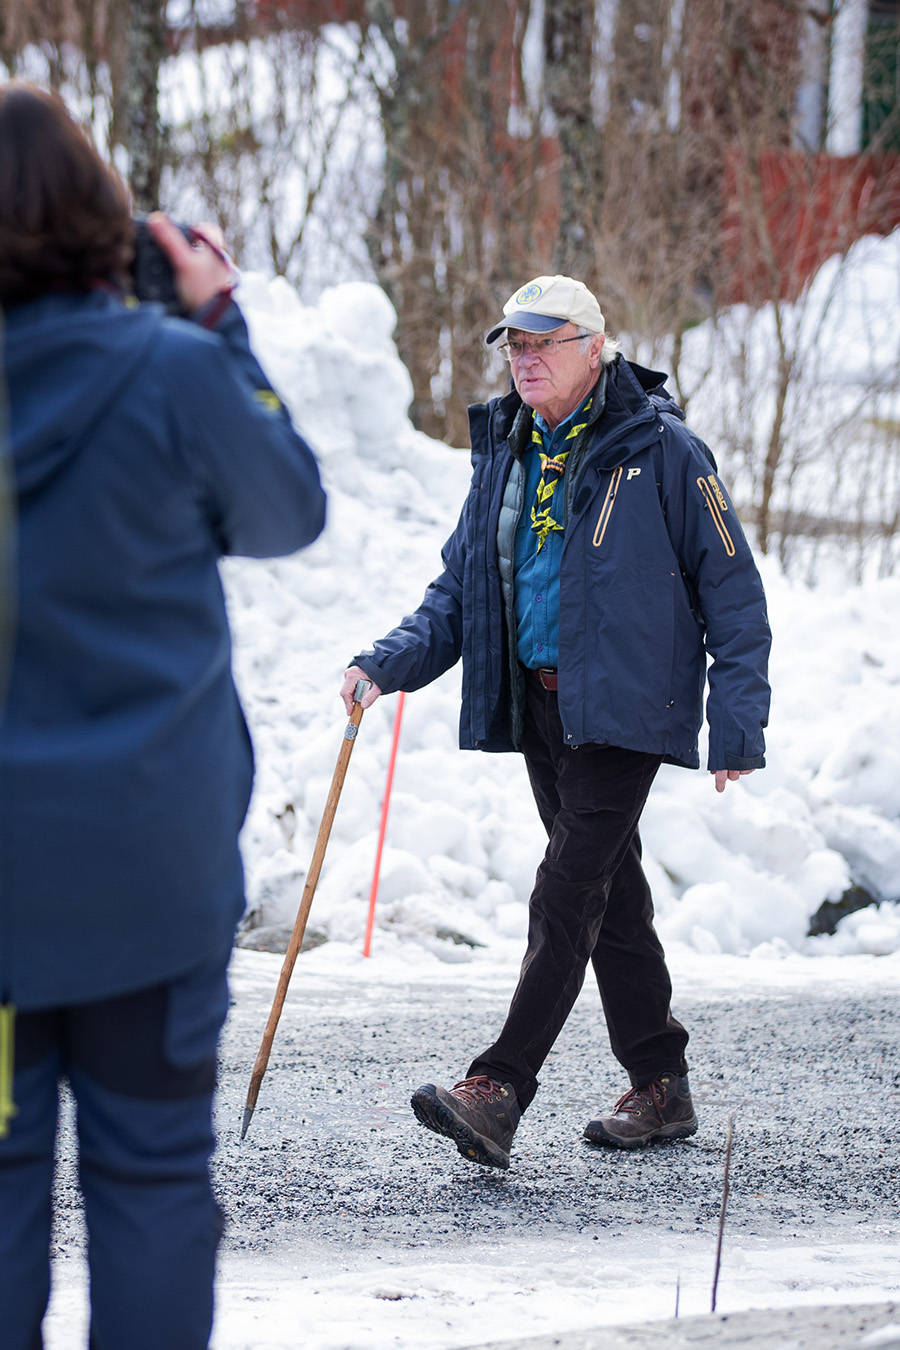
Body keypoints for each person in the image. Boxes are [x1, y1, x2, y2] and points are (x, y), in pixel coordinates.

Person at [0, 83, 326, 1348]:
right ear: (109, 227)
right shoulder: (178, 375)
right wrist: (219, 321)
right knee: (147, 1187)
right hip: (149, 882)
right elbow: (287, 508)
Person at [341, 273, 771, 1170]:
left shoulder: (666, 451)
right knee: (610, 893)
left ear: (595, 348)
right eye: (514, 345)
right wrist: (386, 663)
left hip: (626, 707)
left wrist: (737, 718)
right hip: (540, 702)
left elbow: (732, 589)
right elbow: (460, 589)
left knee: (567, 889)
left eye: (543, 342)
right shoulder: (505, 450)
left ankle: (498, 1087)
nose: (524, 359)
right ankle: (660, 1085)